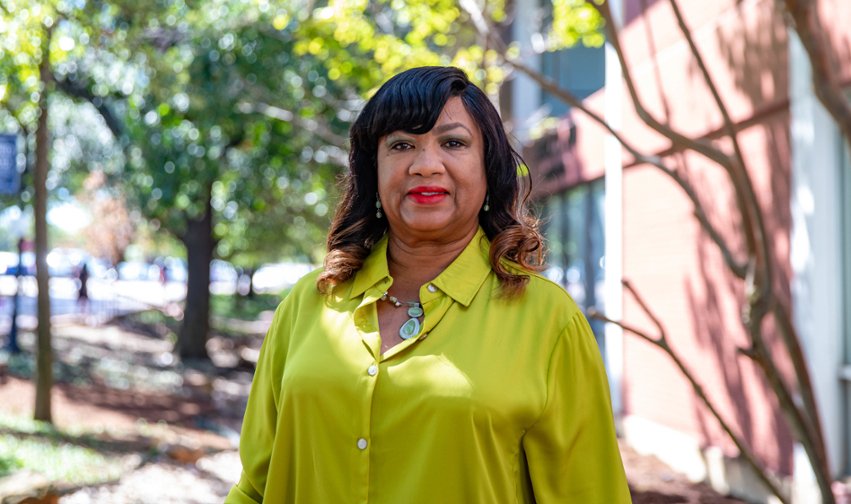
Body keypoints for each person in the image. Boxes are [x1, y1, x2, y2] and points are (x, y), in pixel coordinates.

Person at [225, 67, 630, 504]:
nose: (425, 165)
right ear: (373, 171)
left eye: (453, 143)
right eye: (401, 145)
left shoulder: (550, 321)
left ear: (489, 168)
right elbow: (254, 488)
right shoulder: (309, 303)